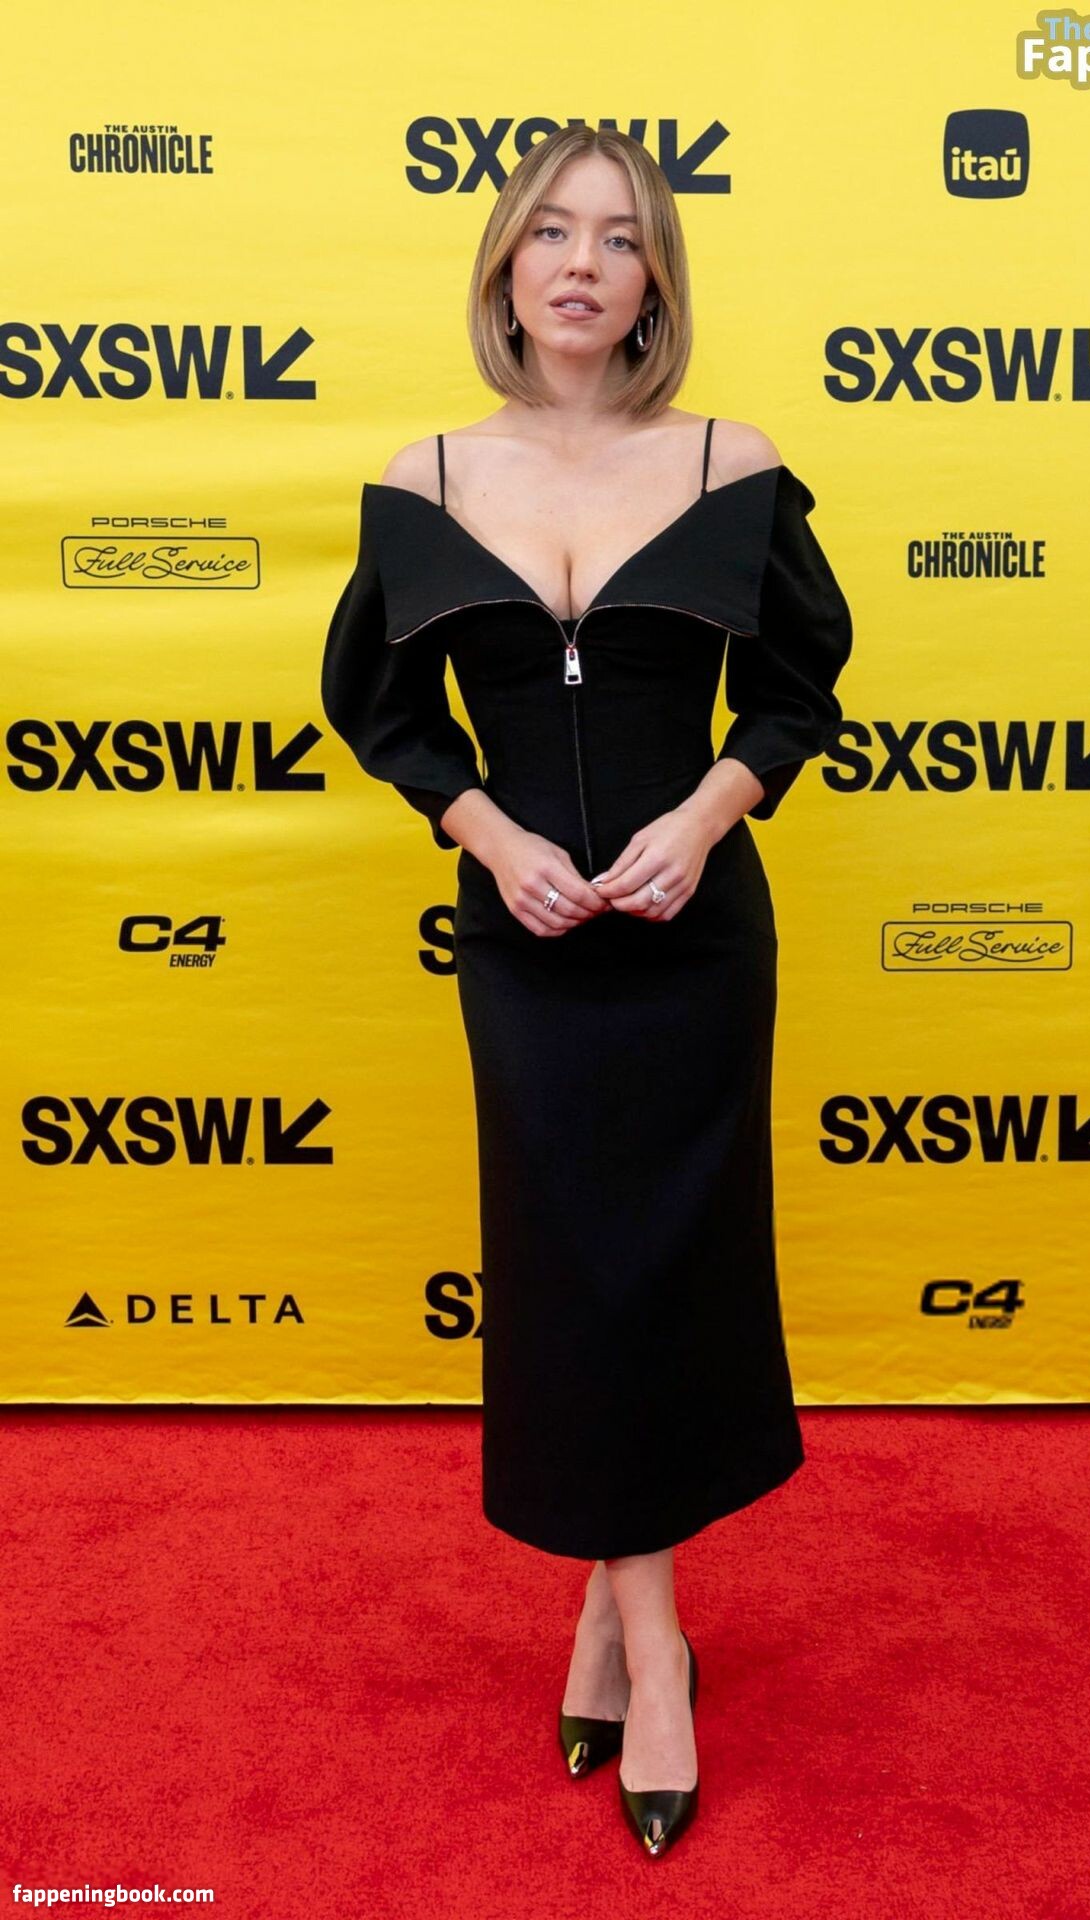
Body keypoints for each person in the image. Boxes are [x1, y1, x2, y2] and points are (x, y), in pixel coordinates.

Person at [321, 124, 852, 1859]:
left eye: (620, 240)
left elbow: (796, 691)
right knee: (570, 1275)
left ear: (653, 284)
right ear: (504, 263)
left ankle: (635, 1642)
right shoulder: (427, 478)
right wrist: (485, 836)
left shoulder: (728, 464)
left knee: (674, 1272)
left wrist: (703, 819)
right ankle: (645, 1629)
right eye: (551, 232)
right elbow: (380, 710)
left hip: (694, 937)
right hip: (528, 946)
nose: (580, 264)